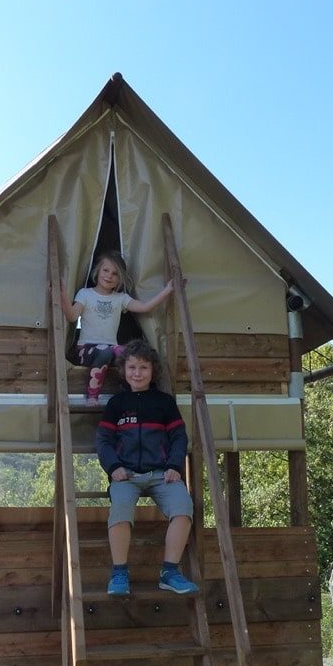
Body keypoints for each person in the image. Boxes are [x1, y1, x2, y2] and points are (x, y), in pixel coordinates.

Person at [95, 338, 199, 596]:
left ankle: (170, 572)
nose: (137, 373)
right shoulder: (116, 404)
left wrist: (175, 466)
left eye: (143, 368)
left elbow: (179, 437)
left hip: (162, 474)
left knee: (184, 508)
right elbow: (104, 441)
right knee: (119, 511)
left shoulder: (164, 402)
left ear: (153, 371)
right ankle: (119, 572)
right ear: (123, 371)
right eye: (132, 368)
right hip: (125, 475)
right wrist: (114, 467)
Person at [61, 251, 173, 406]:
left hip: (111, 349)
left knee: (131, 354)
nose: (109, 276)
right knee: (105, 351)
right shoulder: (85, 294)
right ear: (97, 271)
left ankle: (136, 394)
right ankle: (92, 396)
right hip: (85, 349)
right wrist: (61, 295)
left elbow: (145, 307)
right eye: (105, 270)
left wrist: (167, 290)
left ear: (120, 279)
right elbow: (72, 316)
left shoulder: (120, 298)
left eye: (115, 274)